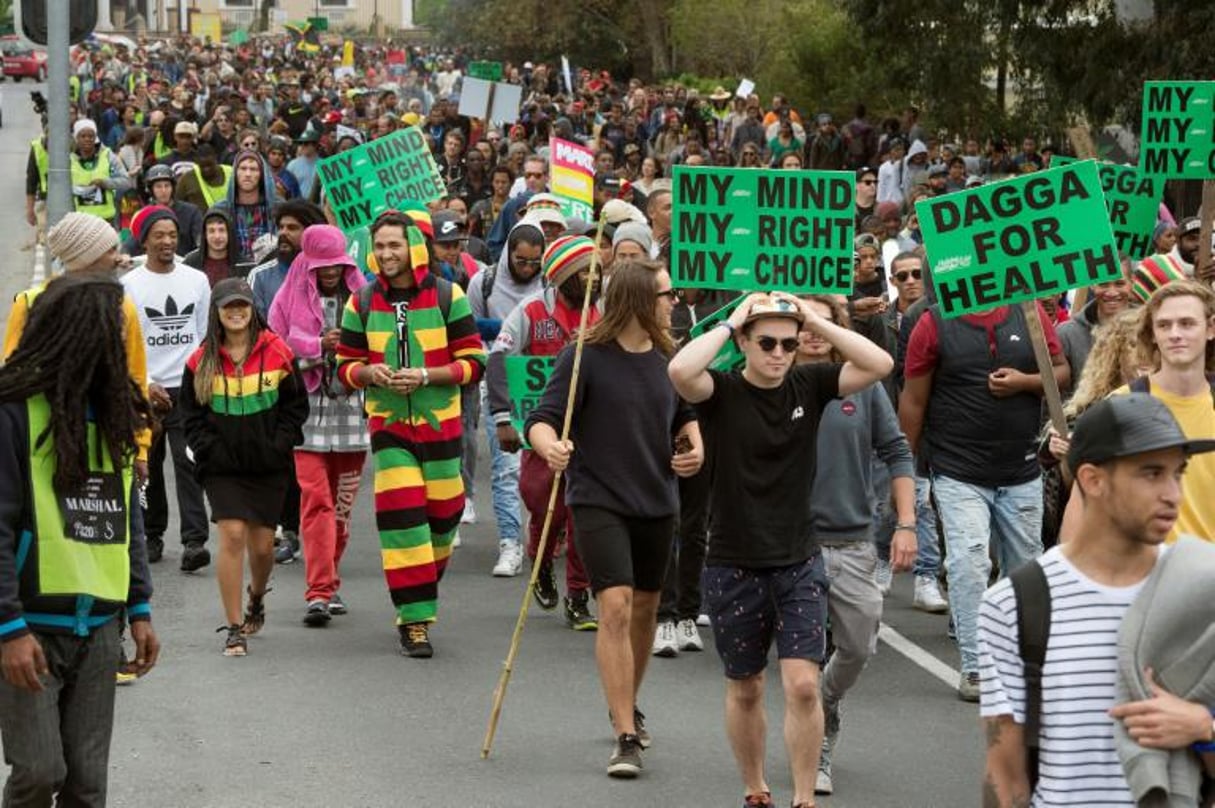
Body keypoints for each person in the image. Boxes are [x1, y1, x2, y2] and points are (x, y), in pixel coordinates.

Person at [668, 292, 893, 808]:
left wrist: (812, 319)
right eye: (766, 342)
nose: (778, 353)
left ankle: (803, 796)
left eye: (788, 344)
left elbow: (879, 363)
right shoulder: (720, 391)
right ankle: (755, 788)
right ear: (746, 342)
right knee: (745, 687)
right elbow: (680, 370)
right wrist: (731, 323)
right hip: (732, 561)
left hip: (798, 560)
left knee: (803, 686)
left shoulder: (810, 384)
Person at [979, 393, 1215, 807]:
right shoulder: (1016, 602)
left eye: (1178, 473)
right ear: (1093, 480)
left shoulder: (1201, 588)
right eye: (1151, 474)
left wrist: (1204, 730)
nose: (1173, 494)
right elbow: (1005, 771)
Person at [526, 259, 703, 778]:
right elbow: (542, 418)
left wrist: (695, 449)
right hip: (597, 497)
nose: (674, 301)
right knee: (617, 606)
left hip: (657, 499)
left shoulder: (672, 358)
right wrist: (550, 447)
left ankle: (625, 699)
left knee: (647, 609)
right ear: (637, 299)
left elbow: (687, 415)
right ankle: (626, 735)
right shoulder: (584, 356)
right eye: (666, 294)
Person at [0, 273, 160, 806]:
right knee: (39, 771)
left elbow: (129, 521)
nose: (120, 342)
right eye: (111, 331)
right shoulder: (13, 416)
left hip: (99, 627)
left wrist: (139, 607)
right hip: (29, 628)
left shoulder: (118, 416)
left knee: (88, 785)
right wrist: (9, 629)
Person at [899, 298, 1069, 701]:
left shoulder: (1030, 312)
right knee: (970, 560)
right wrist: (907, 472)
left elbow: (1060, 372)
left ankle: (1019, 661)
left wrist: (1024, 383)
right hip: (958, 469)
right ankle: (976, 666)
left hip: (1020, 468)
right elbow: (913, 399)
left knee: (1025, 566)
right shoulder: (933, 323)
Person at [336, 208, 486, 659]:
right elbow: (344, 369)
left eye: (394, 245)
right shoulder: (359, 301)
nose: (386, 254)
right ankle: (415, 620)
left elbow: (474, 363)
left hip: (442, 426)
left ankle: (417, 582)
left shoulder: (449, 296)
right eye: (379, 246)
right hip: (389, 428)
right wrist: (368, 373)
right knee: (403, 521)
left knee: (445, 516)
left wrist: (426, 375)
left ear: (413, 248)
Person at [797, 295, 916, 798]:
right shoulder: (768, 379)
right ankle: (815, 748)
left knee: (858, 645)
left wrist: (907, 523)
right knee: (797, 666)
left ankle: (828, 702)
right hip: (789, 545)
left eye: (823, 323)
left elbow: (896, 451)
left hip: (851, 540)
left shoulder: (862, 386)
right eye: (802, 323)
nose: (811, 333)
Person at [181, 277, 307, 656]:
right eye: (227, 307)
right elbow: (191, 417)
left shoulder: (279, 352)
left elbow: (295, 408)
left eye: (242, 305)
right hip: (222, 469)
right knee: (233, 535)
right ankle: (234, 627)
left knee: (264, 548)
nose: (236, 312)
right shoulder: (199, 360)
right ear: (216, 314)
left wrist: (278, 445)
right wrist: (211, 451)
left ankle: (256, 597)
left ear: (253, 310)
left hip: (268, 466)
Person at [486, 235, 602, 630]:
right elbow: (499, 357)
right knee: (542, 502)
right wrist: (503, 417)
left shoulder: (604, 311)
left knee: (582, 514)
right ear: (563, 275)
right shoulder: (531, 310)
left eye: (596, 270)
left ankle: (579, 596)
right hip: (544, 429)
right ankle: (541, 556)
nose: (592, 279)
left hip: (592, 430)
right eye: (583, 271)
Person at [268, 225, 369, 626]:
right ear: (308, 263)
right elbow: (275, 349)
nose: (330, 273)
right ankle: (319, 592)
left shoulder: (363, 296)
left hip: (352, 416)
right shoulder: (286, 296)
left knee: (342, 511)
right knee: (316, 503)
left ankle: (330, 580)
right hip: (305, 415)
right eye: (322, 266)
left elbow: (378, 346)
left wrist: (348, 346)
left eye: (337, 265)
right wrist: (315, 347)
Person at [120, 205, 213, 570]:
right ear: (144, 239)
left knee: (187, 461)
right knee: (148, 466)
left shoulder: (196, 280)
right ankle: (151, 535)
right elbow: (124, 341)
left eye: (172, 235)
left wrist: (198, 378)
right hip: (145, 389)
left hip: (185, 388)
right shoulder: (128, 285)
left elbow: (204, 335)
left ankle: (194, 541)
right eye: (159, 235)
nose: (167, 242)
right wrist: (143, 383)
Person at [467, 220, 547, 577]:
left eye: (534, 262)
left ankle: (543, 534)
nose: (527, 268)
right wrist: (505, 331)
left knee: (546, 467)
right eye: (521, 260)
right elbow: (469, 328)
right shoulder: (482, 282)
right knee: (506, 468)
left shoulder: (550, 283)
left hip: (542, 383)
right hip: (499, 382)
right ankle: (509, 542)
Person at [138, 163, 202, 258]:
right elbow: (132, 244)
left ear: (173, 188)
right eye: (158, 187)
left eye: (167, 186)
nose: (163, 190)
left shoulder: (191, 212)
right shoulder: (144, 214)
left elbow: (200, 242)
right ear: (151, 190)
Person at [184, 206, 239, 287]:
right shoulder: (190, 263)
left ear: (229, 233)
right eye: (211, 231)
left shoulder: (243, 263)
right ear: (205, 235)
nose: (217, 236)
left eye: (221, 230)